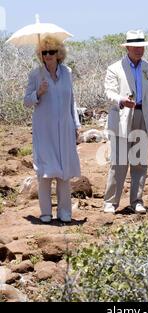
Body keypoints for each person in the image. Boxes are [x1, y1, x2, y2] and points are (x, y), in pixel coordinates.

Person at [103, 30, 148, 214]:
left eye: (142, 47)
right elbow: (109, 91)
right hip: (122, 116)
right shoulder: (115, 68)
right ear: (127, 47)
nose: (139, 50)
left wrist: (146, 98)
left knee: (139, 161)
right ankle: (111, 202)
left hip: (142, 116)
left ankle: (136, 201)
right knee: (119, 161)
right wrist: (121, 100)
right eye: (135, 46)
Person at [24, 36, 81, 223]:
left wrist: (76, 124)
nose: (47, 55)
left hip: (65, 126)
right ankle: (46, 212)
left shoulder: (67, 72)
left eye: (51, 52)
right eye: (44, 52)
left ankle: (65, 212)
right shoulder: (36, 75)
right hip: (44, 128)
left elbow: (71, 100)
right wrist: (37, 93)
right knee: (45, 170)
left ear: (59, 54)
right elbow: (26, 101)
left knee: (64, 169)